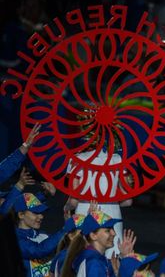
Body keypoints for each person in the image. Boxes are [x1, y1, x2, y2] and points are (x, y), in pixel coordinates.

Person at [63, 110, 132, 258]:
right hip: (112, 213)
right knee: (113, 261)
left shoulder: (76, 160)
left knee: (83, 258)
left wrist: (66, 208)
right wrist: (109, 202)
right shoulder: (117, 160)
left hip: (84, 210)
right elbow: (128, 200)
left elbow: (73, 200)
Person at [60, 210, 132, 277]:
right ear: (93, 236)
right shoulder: (94, 264)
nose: (114, 233)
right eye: (108, 230)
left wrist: (123, 256)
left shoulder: (96, 259)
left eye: (112, 229)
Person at [15, 193, 65, 277]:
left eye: (41, 212)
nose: (41, 216)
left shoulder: (44, 235)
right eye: (35, 212)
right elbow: (39, 250)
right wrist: (65, 229)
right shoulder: (14, 239)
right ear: (21, 215)